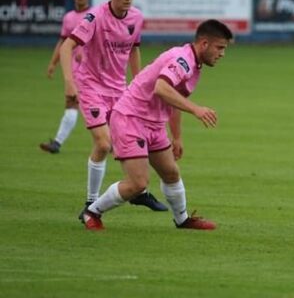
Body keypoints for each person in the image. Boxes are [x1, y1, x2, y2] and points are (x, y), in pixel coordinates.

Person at [80, 19, 233, 231]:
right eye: (220, 47)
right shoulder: (183, 60)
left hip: (154, 123)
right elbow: (161, 88)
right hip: (130, 119)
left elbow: (173, 99)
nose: (222, 53)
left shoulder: (195, 65)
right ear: (204, 44)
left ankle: (183, 220)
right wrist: (196, 109)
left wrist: (177, 136)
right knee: (138, 184)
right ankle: (92, 212)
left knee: (171, 173)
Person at [59, 0, 167, 218]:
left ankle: (138, 192)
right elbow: (67, 46)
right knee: (104, 143)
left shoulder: (137, 18)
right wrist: (69, 82)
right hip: (91, 87)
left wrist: (139, 82)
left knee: (128, 141)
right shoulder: (94, 17)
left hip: (119, 89)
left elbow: (134, 49)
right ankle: (91, 202)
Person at [40, 0, 91, 154]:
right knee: (71, 104)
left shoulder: (95, 15)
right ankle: (57, 143)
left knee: (93, 106)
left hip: (93, 71)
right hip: (74, 70)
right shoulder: (69, 18)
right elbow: (63, 42)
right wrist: (53, 63)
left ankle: (113, 142)